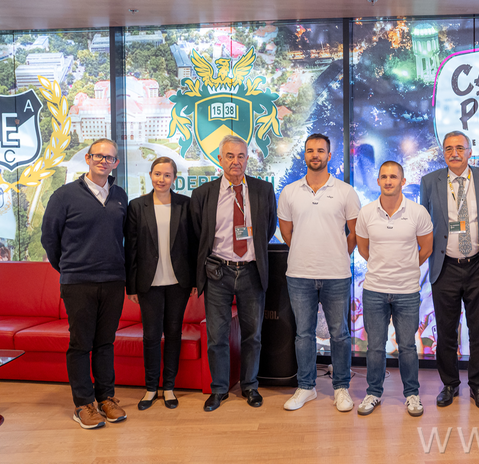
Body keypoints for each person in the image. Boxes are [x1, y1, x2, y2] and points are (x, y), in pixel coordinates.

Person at [41, 138, 128, 429]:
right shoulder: (64, 195)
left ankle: (106, 398)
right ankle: (83, 404)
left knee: (105, 342)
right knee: (81, 344)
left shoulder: (119, 195)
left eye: (109, 158)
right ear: (88, 159)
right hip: (78, 282)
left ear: (116, 163)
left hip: (113, 281)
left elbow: (124, 237)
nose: (104, 161)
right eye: (98, 156)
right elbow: (50, 239)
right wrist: (70, 267)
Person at [191, 135, 277, 412]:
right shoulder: (203, 194)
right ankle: (219, 389)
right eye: (230, 156)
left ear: (247, 159)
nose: (235, 161)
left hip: (251, 271)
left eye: (241, 156)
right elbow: (198, 233)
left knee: (253, 335)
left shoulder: (263, 190)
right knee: (217, 336)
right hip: (218, 273)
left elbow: (268, 228)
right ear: (220, 159)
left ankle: (250, 386)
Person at [279, 133, 362, 412]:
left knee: (339, 334)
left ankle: (341, 388)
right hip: (299, 274)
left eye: (320, 150)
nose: (315, 155)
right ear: (304, 155)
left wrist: (338, 253)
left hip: (336, 274)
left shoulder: (345, 191)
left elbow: (355, 232)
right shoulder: (290, 191)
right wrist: (306, 250)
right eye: (310, 150)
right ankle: (306, 387)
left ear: (329, 155)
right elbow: (287, 232)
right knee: (303, 334)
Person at [419, 131, 479, 410]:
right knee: (445, 331)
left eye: (460, 148)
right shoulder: (430, 182)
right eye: (448, 148)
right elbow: (424, 220)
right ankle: (449, 384)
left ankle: (478, 385)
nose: (454, 153)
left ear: (470, 151)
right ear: (443, 153)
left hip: (478, 265)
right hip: (445, 266)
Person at [354, 161, 433, 417]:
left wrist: (405, 267)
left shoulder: (418, 212)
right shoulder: (366, 212)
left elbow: (427, 248)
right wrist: (384, 267)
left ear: (403, 181)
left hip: (407, 290)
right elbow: (363, 248)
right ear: (378, 181)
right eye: (384, 177)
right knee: (375, 347)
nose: (388, 181)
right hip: (375, 289)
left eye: (393, 177)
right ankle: (373, 393)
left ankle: (412, 394)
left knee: (407, 346)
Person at [125, 157, 196, 410]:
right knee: (151, 336)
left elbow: (193, 245)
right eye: (157, 174)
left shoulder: (185, 205)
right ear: (150, 175)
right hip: (149, 282)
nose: (161, 179)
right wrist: (131, 285)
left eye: (167, 175)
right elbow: (131, 248)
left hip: (178, 282)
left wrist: (195, 280)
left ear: (174, 178)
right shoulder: (137, 206)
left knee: (174, 334)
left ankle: (169, 388)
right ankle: (150, 388)